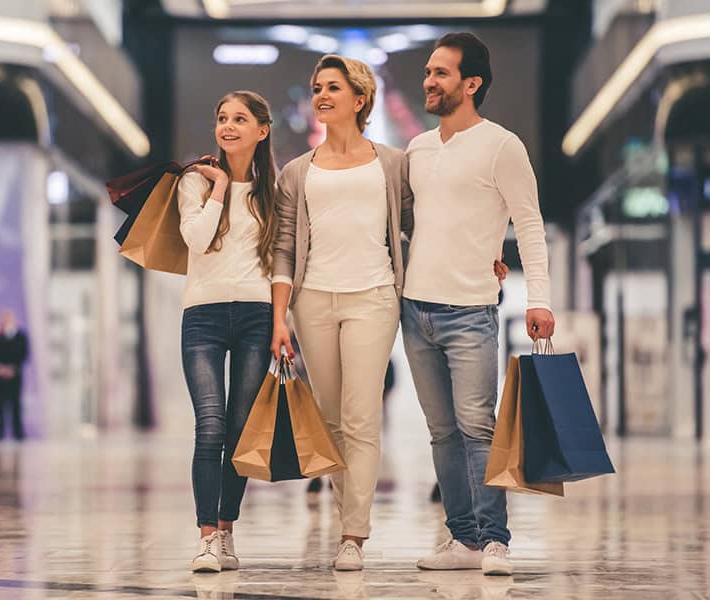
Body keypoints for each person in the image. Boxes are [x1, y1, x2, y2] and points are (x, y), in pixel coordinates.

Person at [400, 32, 554, 577]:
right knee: (441, 430)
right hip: (413, 309)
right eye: (428, 72)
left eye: (440, 73)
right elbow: (411, 226)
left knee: (476, 427)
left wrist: (539, 299)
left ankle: (495, 540)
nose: (429, 81)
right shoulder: (417, 149)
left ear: (472, 83)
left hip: (471, 311)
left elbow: (530, 225)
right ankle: (461, 538)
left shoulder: (502, 146)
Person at [269, 54, 415, 571]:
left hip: (374, 296)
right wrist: (279, 316)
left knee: (361, 418)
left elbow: (419, 227)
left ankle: (353, 534)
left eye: (332, 86)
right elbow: (284, 247)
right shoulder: (297, 172)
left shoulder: (394, 163)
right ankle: (342, 520)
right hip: (312, 301)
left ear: (361, 98)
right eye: (316, 88)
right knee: (329, 422)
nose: (321, 95)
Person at [177, 90, 277, 573]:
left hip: (257, 314)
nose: (228, 126)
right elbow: (196, 238)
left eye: (240, 119)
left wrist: (284, 322)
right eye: (221, 118)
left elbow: (282, 261)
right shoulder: (194, 183)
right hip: (204, 314)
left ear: (262, 130)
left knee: (239, 432)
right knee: (210, 426)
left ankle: (228, 530)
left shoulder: (272, 192)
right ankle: (206, 537)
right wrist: (218, 187)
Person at [0, 309, 29, 441]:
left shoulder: (21, 337)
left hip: (15, 377)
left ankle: (18, 433)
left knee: (16, 405)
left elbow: (24, 355)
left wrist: (12, 369)